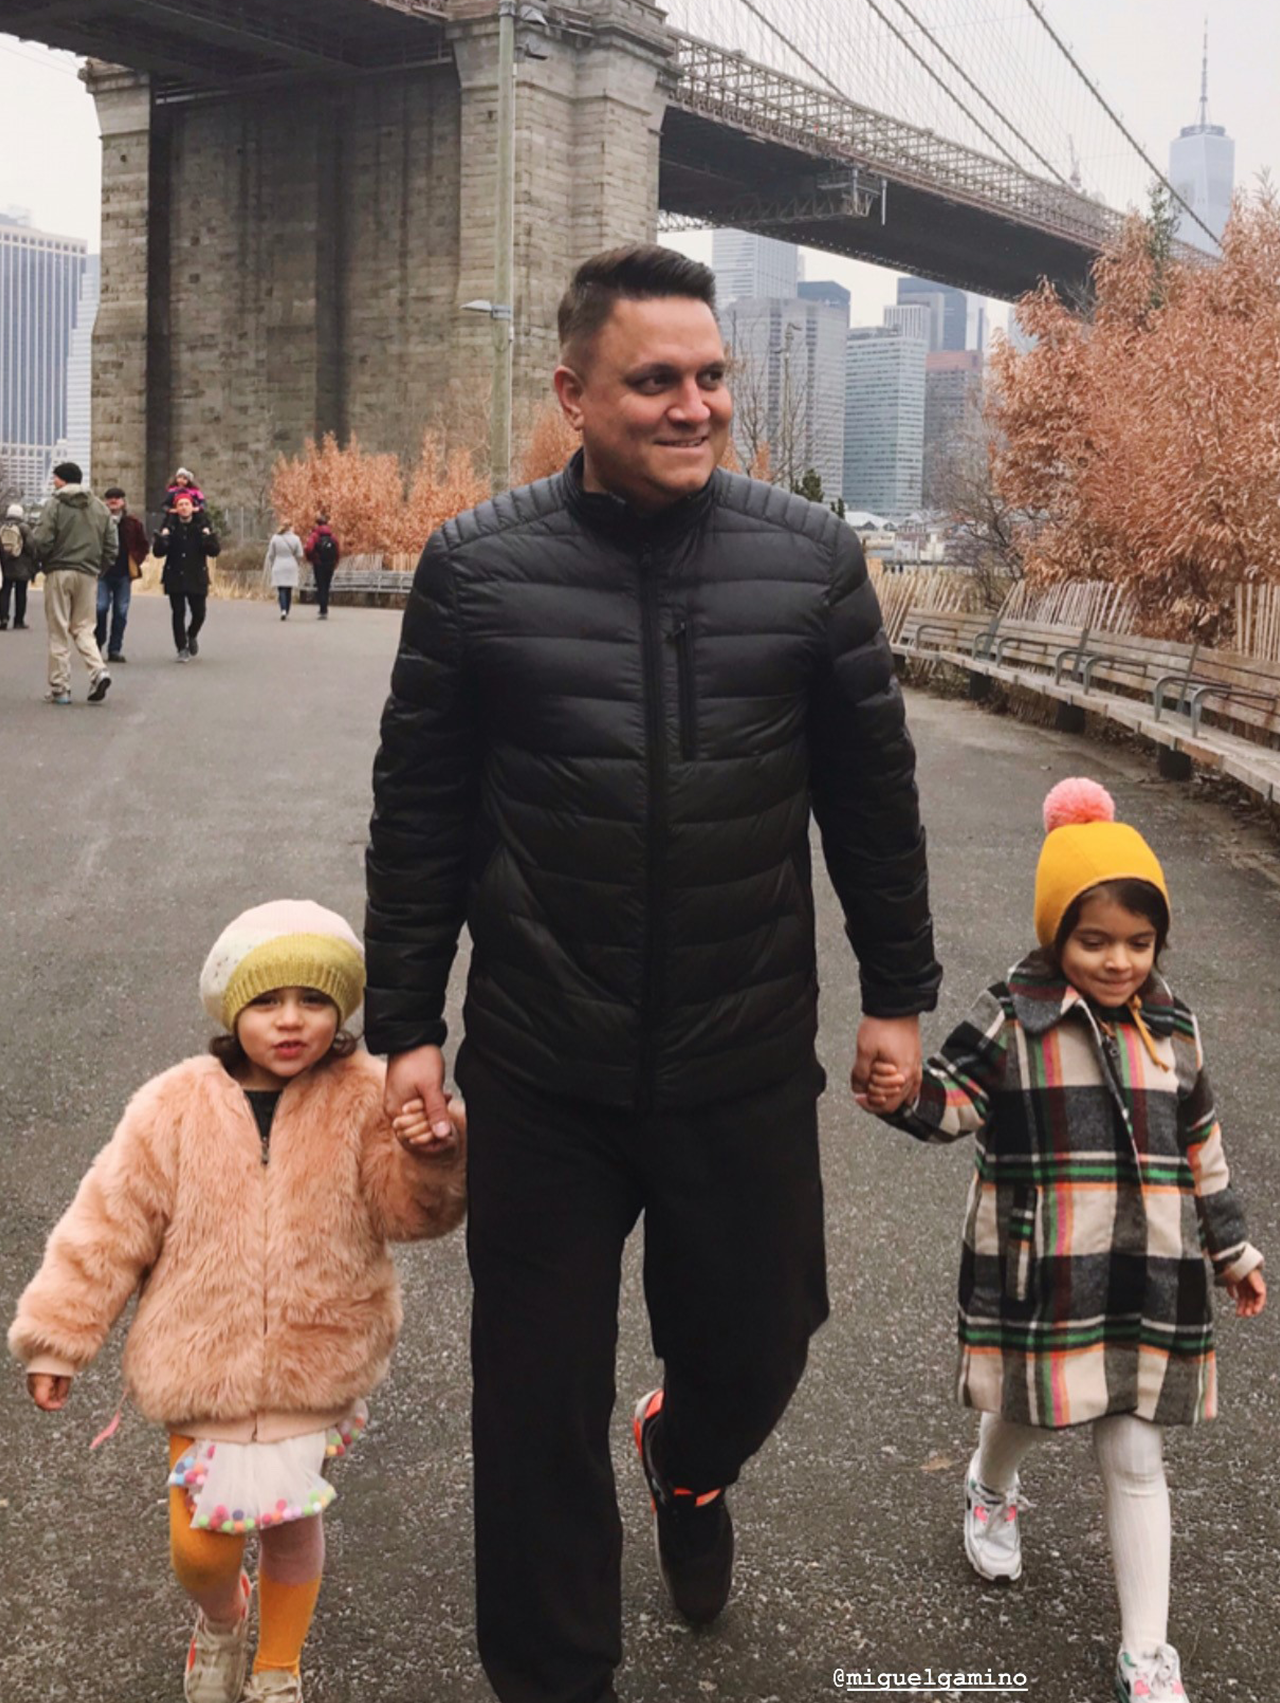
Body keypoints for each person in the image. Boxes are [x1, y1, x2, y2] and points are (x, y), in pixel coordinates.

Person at [365, 244, 940, 1703]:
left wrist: (897, 989)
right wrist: (405, 1025)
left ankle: (687, 1460)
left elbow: (871, 796)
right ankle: (555, 1673)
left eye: (712, 378)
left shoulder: (808, 561)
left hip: (739, 1056)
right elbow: (421, 809)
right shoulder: (477, 568)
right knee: (532, 1403)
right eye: (657, 380)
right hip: (543, 1063)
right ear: (574, 392)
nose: (695, 406)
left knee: (761, 1338)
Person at [861, 778, 1266, 1703]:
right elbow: (954, 1101)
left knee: (1134, 1449)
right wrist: (899, 1093)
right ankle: (988, 1481)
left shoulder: (1175, 1026)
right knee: (1035, 1406)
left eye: (1138, 941)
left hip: (1152, 1276)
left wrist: (1231, 1247)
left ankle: (1146, 1653)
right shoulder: (1017, 1013)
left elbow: (1202, 1143)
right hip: (1048, 1271)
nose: (1118, 961)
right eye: (1094, 941)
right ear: (1056, 935)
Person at [9, 900, 467, 1703]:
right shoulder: (174, 1105)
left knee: (292, 1524)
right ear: (230, 1008)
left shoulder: (364, 1094)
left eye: (314, 1000)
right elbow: (108, 1224)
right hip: (198, 1361)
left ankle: (278, 1666)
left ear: (343, 1008)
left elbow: (410, 1213)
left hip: (315, 1358)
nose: (291, 1021)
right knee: (203, 1548)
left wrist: (431, 1157)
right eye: (266, 1001)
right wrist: (58, 1336)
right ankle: (224, 1615)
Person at [30, 461, 116, 705]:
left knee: (58, 628)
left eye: (55, 478)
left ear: (62, 480)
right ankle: (98, 670)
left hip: (59, 571)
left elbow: (43, 540)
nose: (53, 482)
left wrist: (41, 561)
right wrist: (99, 568)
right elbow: (112, 546)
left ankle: (61, 687)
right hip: (89, 573)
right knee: (84, 627)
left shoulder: (54, 505)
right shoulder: (100, 508)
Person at [155, 494, 220, 660]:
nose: (184, 507)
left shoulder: (201, 525)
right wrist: (163, 539)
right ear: (176, 508)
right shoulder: (170, 526)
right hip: (175, 574)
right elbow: (158, 553)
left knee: (199, 613)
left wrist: (208, 537)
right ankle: (181, 648)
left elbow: (214, 551)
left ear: (193, 507)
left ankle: (191, 634)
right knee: (178, 613)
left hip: (196, 574)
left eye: (187, 504)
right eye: (180, 504)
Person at [96, 486, 150, 663]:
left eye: (117, 498)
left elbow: (143, 545)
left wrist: (135, 560)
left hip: (123, 574)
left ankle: (115, 649)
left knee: (121, 612)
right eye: (110, 497)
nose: (113, 501)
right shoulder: (98, 521)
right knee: (100, 608)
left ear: (123, 502)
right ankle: (97, 642)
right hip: (102, 573)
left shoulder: (132, 523)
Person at [0, 501, 37, 630]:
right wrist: (34, 562)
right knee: (21, 593)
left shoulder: (3, 527)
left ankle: (3, 618)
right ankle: (18, 620)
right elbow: (31, 546)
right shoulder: (24, 528)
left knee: (5, 591)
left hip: (6, 565)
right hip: (22, 566)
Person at [303, 514, 340, 619]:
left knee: (320, 586)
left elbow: (309, 548)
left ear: (317, 523)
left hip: (319, 563)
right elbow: (337, 550)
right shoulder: (332, 536)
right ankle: (325, 608)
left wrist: (311, 558)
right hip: (330, 564)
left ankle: (322, 609)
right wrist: (335, 562)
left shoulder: (314, 535)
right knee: (327, 586)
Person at [265, 524, 304, 620]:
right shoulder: (296, 539)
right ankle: (287, 609)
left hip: (279, 564)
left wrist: (273, 562)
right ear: (290, 527)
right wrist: (297, 562)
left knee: (281, 589)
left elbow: (271, 554)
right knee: (288, 589)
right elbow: (300, 554)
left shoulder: (275, 538)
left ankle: (283, 610)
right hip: (291, 564)